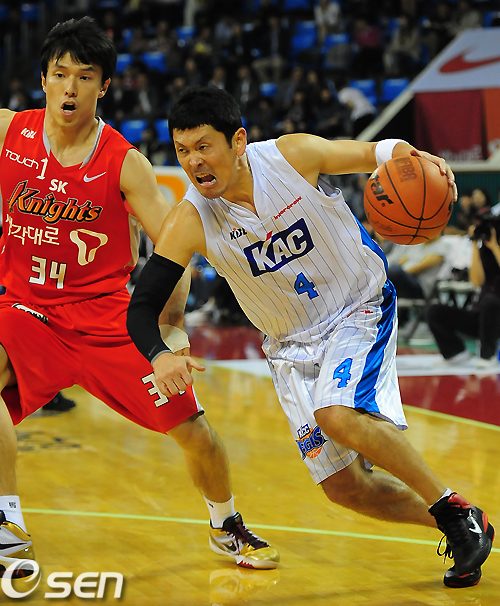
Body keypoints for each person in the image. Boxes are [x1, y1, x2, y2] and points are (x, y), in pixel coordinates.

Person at [127, 86, 494, 589]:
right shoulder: (189, 219)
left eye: (204, 146)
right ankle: (462, 522)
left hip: (356, 306)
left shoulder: (291, 156)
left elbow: (374, 152)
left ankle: (451, 508)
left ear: (238, 141)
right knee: (345, 488)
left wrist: (419, 158)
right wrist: (159, 353)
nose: (194, 162)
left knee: (336, 413)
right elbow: (142, 306)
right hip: (289, 346)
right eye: (183, 150)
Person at [0, 18, 279, 580]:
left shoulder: (126, 163)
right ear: (43, 79)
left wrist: (169, 333)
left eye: (85, 77)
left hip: (106, 318)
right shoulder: (9, 131)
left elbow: (175, 255)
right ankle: (6, 523)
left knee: (194, 432)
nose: (70, 88)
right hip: (25, 310)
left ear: (104, 86)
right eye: (60, 74)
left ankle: (225, 522)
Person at [427, 222, 500, 371]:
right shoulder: (484, 252)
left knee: (490, 301)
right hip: (483, 316)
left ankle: (488, 355)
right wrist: (475, 245)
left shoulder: (494, 249)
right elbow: (476, 281)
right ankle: (455, 353)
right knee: (434, 311)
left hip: (495, 314)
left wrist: (495, 247)